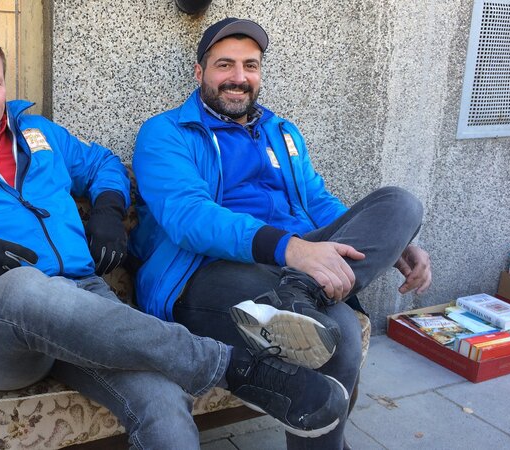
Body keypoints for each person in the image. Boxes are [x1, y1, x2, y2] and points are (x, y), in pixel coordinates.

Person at [0, 29, 350, 449]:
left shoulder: (39, 134)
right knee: (25, 287)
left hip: (86, 304)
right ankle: (232, 366)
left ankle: (214, 371)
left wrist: (107, 209)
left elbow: (103, 163)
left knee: (161, 401)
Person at [131, 18, 432, 449]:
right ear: (200, 73)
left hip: (293, 267)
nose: (238, 77)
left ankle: (301, 294)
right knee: (339, 333)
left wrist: (396, 240)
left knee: (401, 204)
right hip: (208, 271)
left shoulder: (281, 132)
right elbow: (189, 217)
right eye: (225, 65)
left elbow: (318, 202)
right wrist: (291, 249)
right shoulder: (166, 133)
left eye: (250, 66)